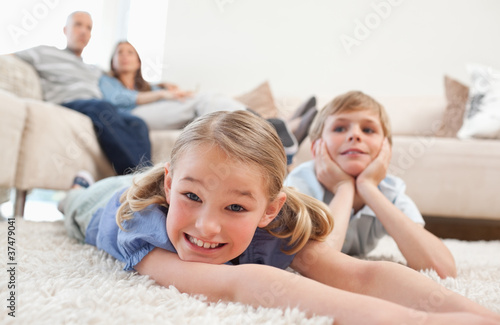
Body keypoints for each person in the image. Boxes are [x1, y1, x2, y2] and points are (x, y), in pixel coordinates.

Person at [59, 110, 500, 324]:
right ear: (172, 185)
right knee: (76, 200)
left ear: (270, 209)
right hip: (105, 201)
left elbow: (360, 276)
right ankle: (76, 187)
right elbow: (238, 284)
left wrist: (476, 314)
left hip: (185, 185)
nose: (206, 226)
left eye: (235, 207)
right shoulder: (142, 228)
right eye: (191, 196)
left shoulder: (277, 219)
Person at [285, 90, 457, 278]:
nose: (355, 136)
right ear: (316, 147)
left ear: (386, 149)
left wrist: (368, 187)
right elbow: (314, 264)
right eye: (340, 128)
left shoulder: (390, 190)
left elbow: (442, 269)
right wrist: (343, 187)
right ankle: (284, 136)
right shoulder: (302, 182)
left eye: (368, 130)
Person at [99, 41, 298, 163]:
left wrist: (168, 90)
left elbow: (162, 96)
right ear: (112, 60)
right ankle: (267, 124)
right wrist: (161, 95)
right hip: (132, 116)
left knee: (209, 99)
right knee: (204, 100)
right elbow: (116, 99)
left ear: (138, 61)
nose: (125, 56)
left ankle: (269, 128)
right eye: (120, 52)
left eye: (130, 52)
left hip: (157, 110)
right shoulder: (106, 81)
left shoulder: (150, 86)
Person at [13, 11, 151, 175]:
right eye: (78, 25)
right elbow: (8, 58)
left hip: (97, 106)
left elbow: (123, 79)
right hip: (70, 103)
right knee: (102, 107)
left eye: (89, 28)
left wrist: (162, 86)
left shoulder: (93, 69)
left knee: (138, 122)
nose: (84, 31)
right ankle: (138, 178)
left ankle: (147, 174)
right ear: (65, 30)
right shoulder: (45, 53)